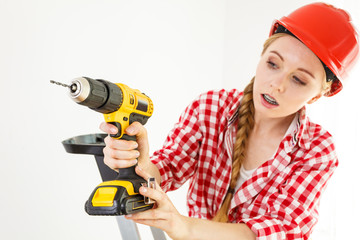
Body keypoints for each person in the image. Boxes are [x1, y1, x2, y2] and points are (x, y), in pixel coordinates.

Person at [100, 2, 359, 239]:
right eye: (272, 64)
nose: (276, 85)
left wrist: (184, 226)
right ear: (262, 56)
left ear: (318, 95)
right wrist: (140, 166)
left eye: (298, 80)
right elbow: (168, 166)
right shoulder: (210, 108)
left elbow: (283, 229)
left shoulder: (317, 149)